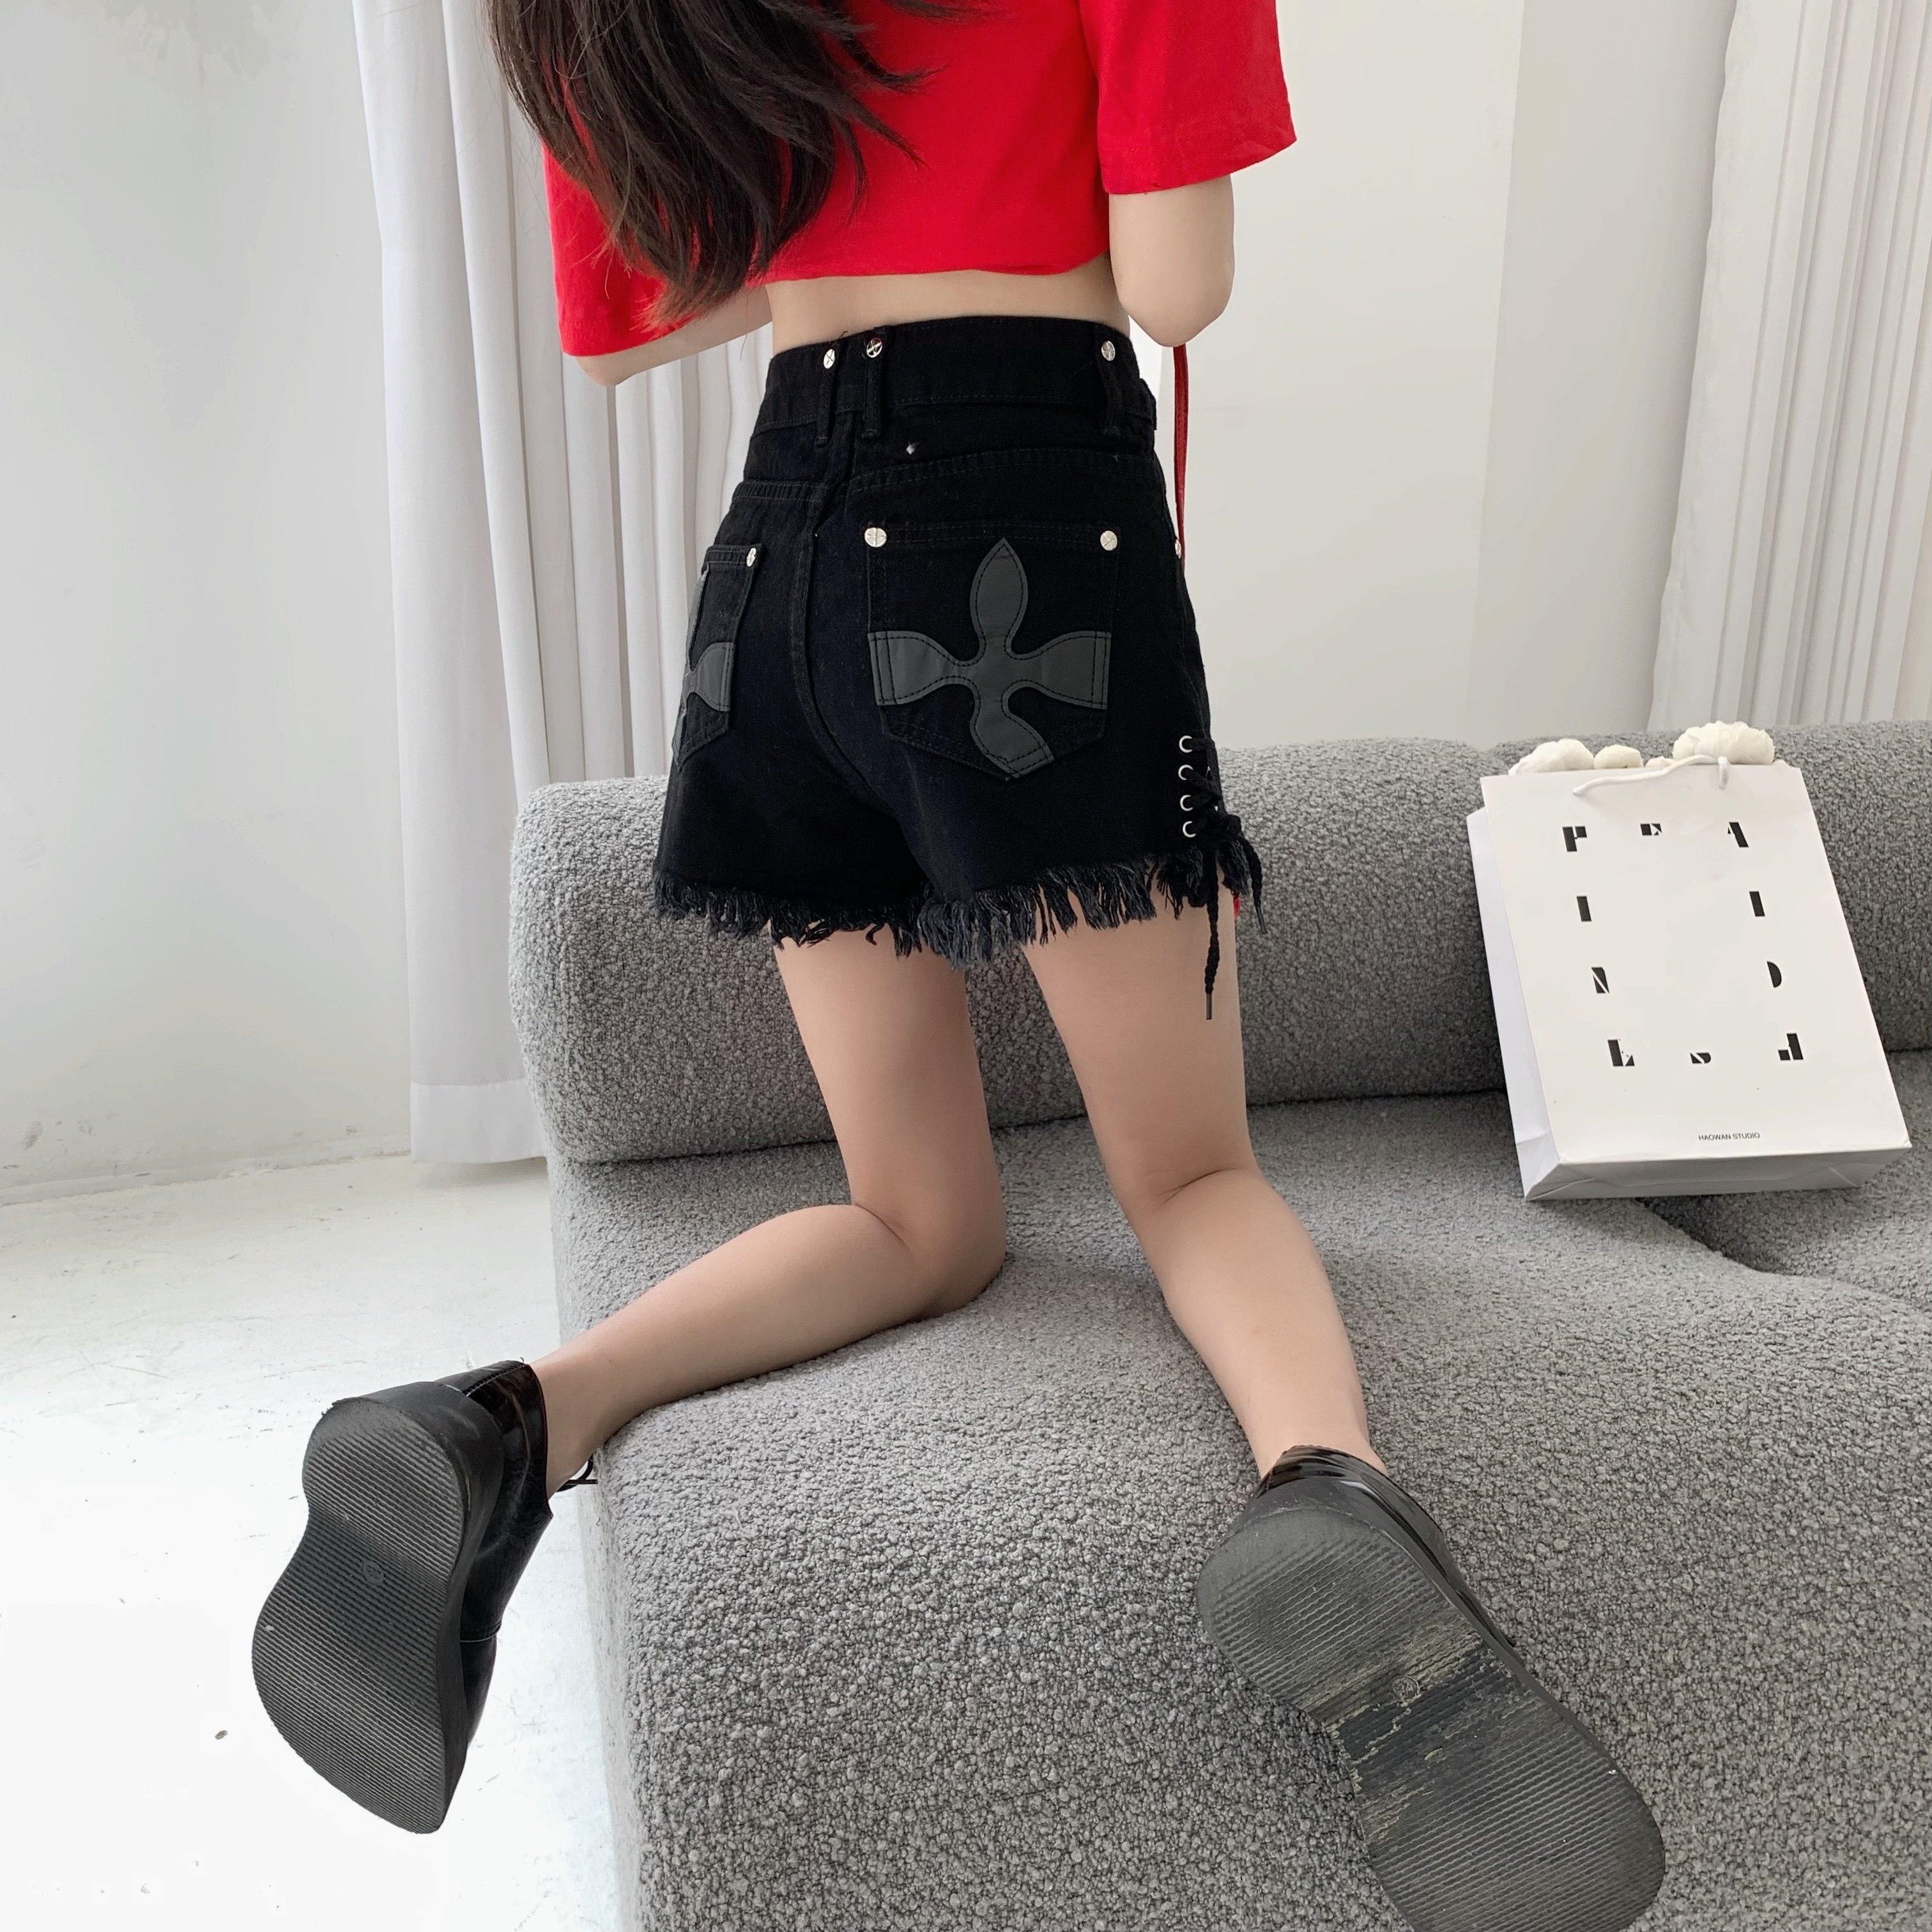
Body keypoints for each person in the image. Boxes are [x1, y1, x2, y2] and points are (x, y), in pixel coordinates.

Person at [253, 3, 1664, 1927]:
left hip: (779, 576)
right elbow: (1178, 285)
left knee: (916, 1216)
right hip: (1029, 515)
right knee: (1191, 1173)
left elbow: (628, 324)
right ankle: (1324, 1488)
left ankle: (509, 1420)